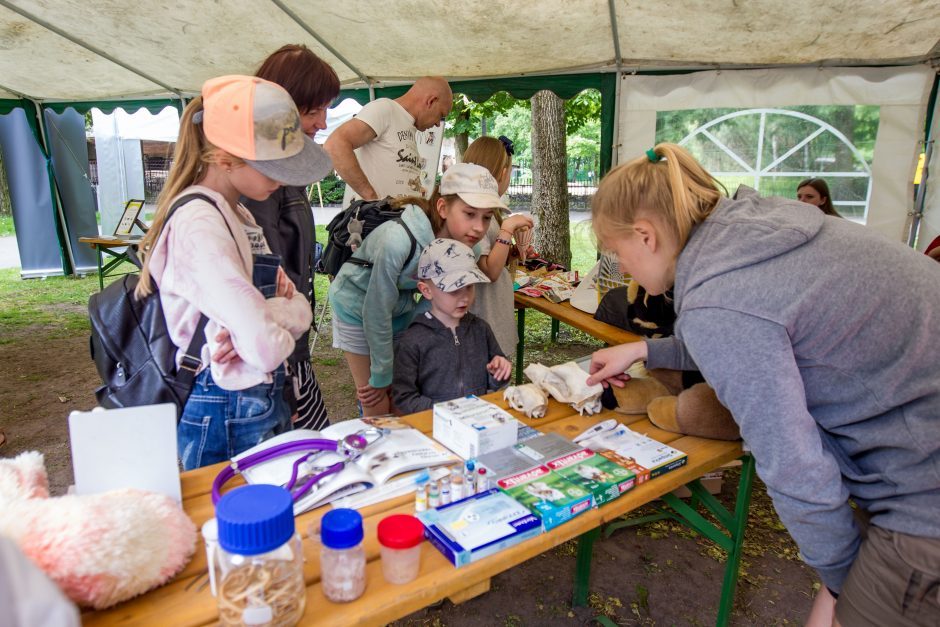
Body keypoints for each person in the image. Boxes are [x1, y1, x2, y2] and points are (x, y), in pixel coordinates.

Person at [586, 143, 940, 626]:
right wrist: (646, 349)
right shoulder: (752, 230)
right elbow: (764, 330)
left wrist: (843, 581)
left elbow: (794, 465)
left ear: (645, 236)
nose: (621, 268)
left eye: (617, 252)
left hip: (924, 495)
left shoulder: (722, 299)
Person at [136, 75, 322, 470]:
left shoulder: (238, 213)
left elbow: (298, 309)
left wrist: (269, 318)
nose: (283, 178)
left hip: (253, 393)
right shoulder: (199, 225)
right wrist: (269, 325)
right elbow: (265, 346)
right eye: (273, 167)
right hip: (222, 406)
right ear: (225, 159)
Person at [328, 163, 507, 416]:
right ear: (443, 208)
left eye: (487, 217)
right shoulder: (397, 240)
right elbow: (376, 309)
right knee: (376, 395)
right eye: (470, 214)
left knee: (404, 387)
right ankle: (376, 447)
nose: (479, 227)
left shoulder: (469, 249)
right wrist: (381, 374)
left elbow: (432, 301)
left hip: (400, 306)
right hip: (356, 305)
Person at [242, 44, 339, 431]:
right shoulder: (261, 183)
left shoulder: (284, 176)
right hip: (272, 359)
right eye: (312, 110)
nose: (323, 123)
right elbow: (260, 281)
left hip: (289, 350)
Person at [392, 238, 511, 414]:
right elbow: (404, 397)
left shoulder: (481, 329)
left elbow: (495, 380)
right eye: (453, 289)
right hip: (435, 428)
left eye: (469, 287)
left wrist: (499, 371)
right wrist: (443, 412)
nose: (464, 297)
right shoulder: (413, 339)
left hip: (477, 420)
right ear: (426, 290)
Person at [324, 77, 452, 204]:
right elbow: (335, 145)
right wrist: (371, 198)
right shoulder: (385, 108)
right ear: (431, 101)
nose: (437, 124)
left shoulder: (408, 124)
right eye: (441, 115)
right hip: (379, 222)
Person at [462, 135, 533, 356]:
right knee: (490, 385)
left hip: (492, 317)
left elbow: (489, 257)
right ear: (502, 173)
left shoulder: (485, 211)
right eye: (510, 171)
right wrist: (507, 229)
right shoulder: (476, 213)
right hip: (484, 320)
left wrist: (512, 251)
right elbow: (489, 271)